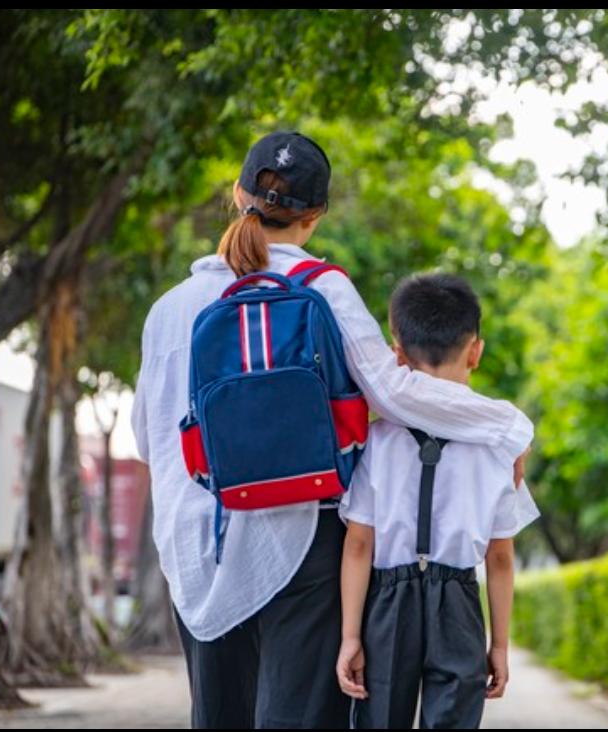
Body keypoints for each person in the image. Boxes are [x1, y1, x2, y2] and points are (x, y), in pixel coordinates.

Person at [130, 131, 533, 729]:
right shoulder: (324, 288)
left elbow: (149, 440)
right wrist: (508, 425)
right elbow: (396, 395)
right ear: (314, 217)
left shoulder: (171, 308)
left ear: (238, 193)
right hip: (301, 545)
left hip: (198, 548)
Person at [336, 273, 539, 729]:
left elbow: (358, 545)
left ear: (397, 355)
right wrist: (499, 645)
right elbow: (501, 557)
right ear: (476, 351)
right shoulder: (499, 444)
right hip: (459, 602)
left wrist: (351, 636)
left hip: (388, 602)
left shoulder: (377, 438)